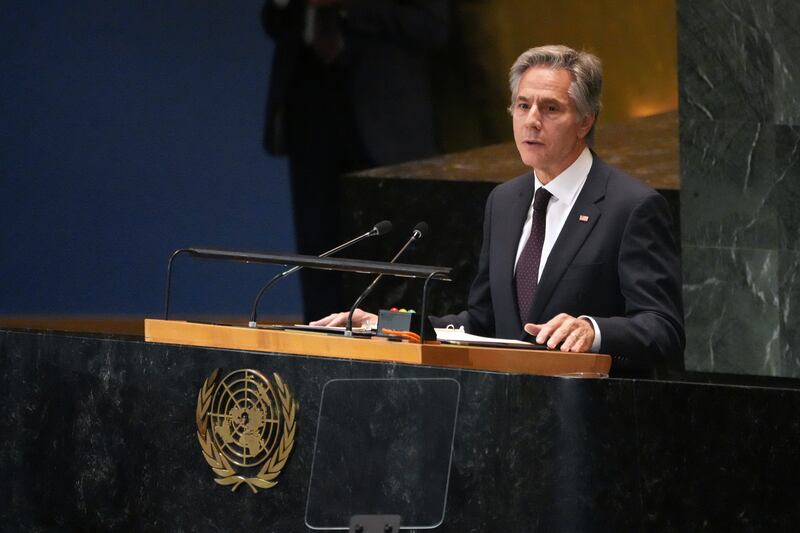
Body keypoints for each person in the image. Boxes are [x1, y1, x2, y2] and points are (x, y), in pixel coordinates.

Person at [313, 45, 685, 371]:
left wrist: (593, 329)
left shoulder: (631, 206)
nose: (532, 120)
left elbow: (663, 328)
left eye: (550, 108)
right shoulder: (505, 201)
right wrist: (385, 325)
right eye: (523, 106)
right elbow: (482, 321)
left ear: (585, 121)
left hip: (590, 419)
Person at [262, 0, 448, 322]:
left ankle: (387, 346)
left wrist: (348, 6)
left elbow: (434, 28)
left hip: (389, 120)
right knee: (318, 251)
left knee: (390, 253)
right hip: (308, 110)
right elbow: (273, 19)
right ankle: (319, 349)